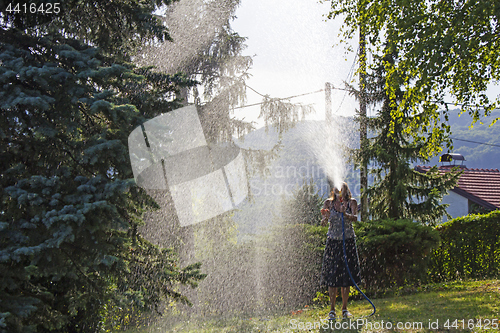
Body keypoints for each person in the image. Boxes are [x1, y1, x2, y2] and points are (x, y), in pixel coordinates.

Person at [320, 182, 362, 320]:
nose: (339, 192)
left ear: (345, 190)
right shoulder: (328, 203)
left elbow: (355, 218)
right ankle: (332, 310)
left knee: (346, 277)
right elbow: (323, 223)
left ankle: (344, 309)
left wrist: (346, 214)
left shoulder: (352, 203)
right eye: (337, 190)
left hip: (348, 241)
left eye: (342, 189)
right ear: (335, 191)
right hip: (333, 242)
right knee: (332, 277)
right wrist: (325, 218)